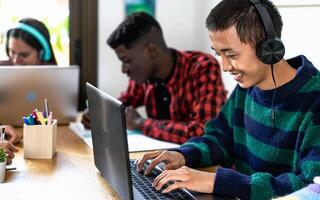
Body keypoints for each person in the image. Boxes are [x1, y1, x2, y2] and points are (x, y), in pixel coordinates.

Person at [136, 0, 320, 199]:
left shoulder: (315, 101)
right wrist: (183, 155)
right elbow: (220, 138)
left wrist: (218, 181)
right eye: (219, 54)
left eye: (231, 54)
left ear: (268, 48)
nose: (224, 66)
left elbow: (310, 188)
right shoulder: (247, 88)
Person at [81, 12, 226, 144]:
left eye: (127, 60)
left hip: (200, 168)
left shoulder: (202, 67)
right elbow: (125, 101)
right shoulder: (145, 77)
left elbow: (203, 132)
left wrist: (140, 123)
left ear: (151, 50)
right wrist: (100, 114)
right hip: (161, 160)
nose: (124, 69)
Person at [0, 18, 57, 143]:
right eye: (12, 52)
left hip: (45, 139)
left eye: (24, 55)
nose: (15, 60)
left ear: (42, 53)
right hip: (12, 141)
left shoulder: (58, 79)